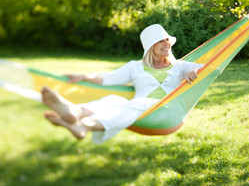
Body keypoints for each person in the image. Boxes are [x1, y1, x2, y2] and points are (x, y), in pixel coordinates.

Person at [42, 24, 204, 144]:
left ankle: (85, 124)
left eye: (167, 40)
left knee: (138, 103)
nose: (166, 43)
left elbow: (209, 69)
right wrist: (82, 76)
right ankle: (77, 113)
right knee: (114, 100)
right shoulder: (135, 67)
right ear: (150, 47)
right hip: (143, 112)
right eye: (160, 41)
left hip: (169, 113)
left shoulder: (180, 66)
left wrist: (194, 72)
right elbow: (107, 78)